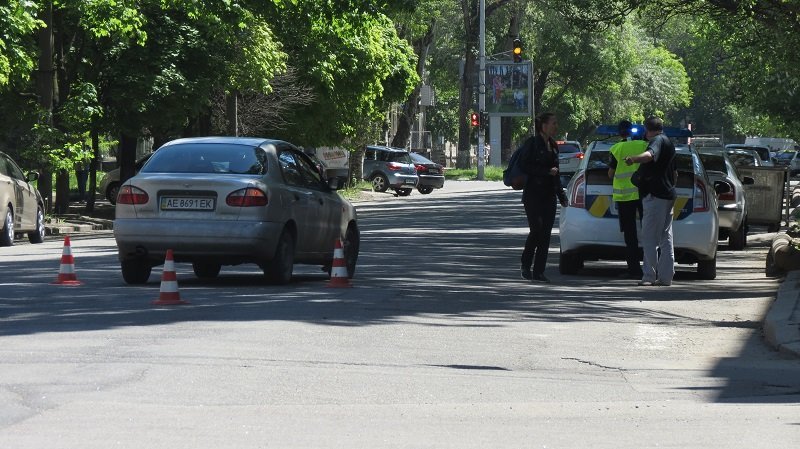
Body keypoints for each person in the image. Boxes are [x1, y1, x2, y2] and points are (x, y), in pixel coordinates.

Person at [623, 116, 677, 286]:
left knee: (649, 237)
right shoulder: (669, 142)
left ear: (647, 130)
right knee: (665, 237)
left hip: (656, 196)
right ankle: (666, 277)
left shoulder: (658, 141)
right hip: (668, 195)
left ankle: (648, 276)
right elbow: (675, 173)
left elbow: (649, 155)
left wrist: (633, 159)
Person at [518, 112, 568, 283]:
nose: (556, 126)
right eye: (553, 123)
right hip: (533, 194)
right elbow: (524, 165)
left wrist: (561, 195)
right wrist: (545, 171)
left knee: (546, 234)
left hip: (548, 195)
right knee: (536, 229)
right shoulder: (532, 143)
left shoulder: (553, 145)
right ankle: (525, 264)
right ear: (544, 125)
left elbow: (556, 173)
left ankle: (539, 271)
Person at [607, 120, 646, 278]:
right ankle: (653, 267)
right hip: (644, 194)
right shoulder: (644, 145)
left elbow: (610, 174)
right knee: (650, 232)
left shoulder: (616, 149)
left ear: (619, 133)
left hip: (624, 196)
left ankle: (634, 269)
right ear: (633, 131)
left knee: (630, 234)